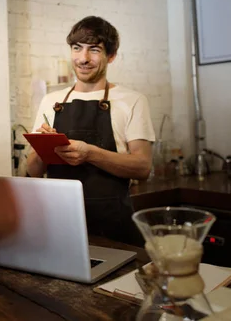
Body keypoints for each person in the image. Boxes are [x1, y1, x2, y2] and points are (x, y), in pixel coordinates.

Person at [26, 16, 155, 246]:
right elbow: (34, 171)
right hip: (60, 224)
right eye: (77, 48)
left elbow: (143, 167)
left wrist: (90, 154)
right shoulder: (51, 101)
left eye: (94, 50)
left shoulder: (133, 101)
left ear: (111, 56)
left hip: (113, 227)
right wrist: (41, 149)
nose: (83, 59)